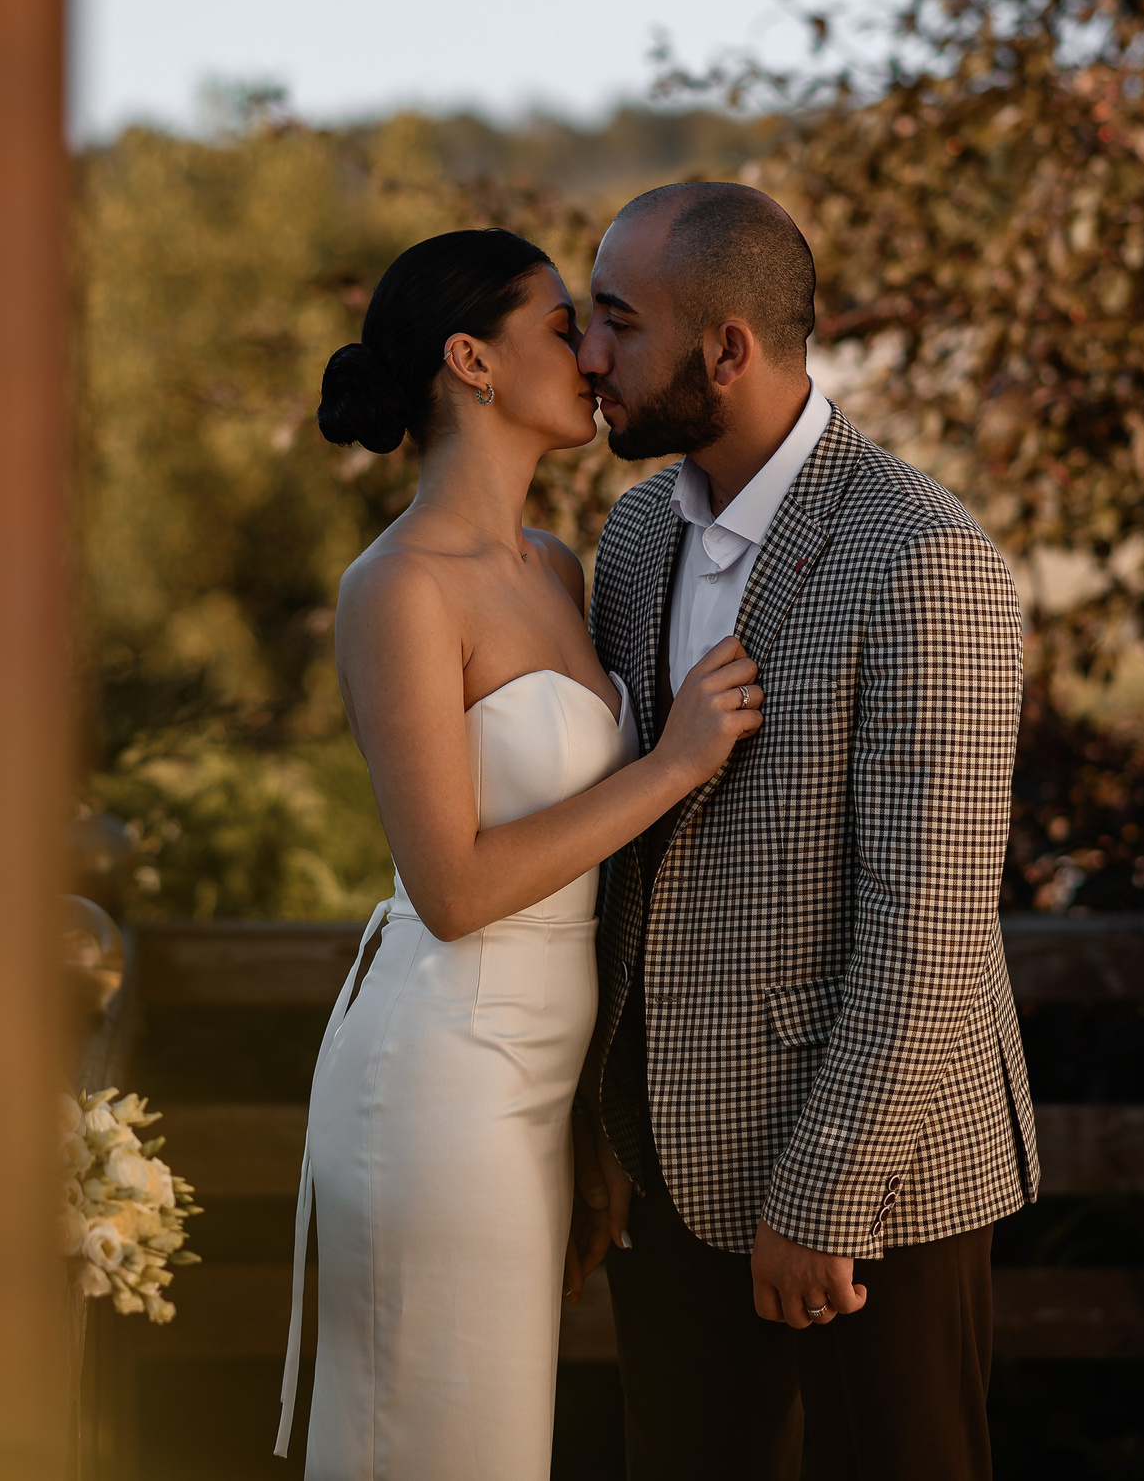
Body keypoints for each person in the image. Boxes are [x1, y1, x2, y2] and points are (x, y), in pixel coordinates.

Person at [276, 228, 768, 1481]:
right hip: (441, 1078)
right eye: (563, 327)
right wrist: (675, 765)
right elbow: (453, 889)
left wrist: (592, 1125)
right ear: (470, 360)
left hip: (544, 1089)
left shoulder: (557, 564)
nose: (595, 355)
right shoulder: (398, 589)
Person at [568, 183, 1038, 1481]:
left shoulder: (922, 558)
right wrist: (599, 1132)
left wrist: (821, 1192)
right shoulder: (627, 540)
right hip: (663, 1167)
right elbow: (627, 861)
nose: (587, 353)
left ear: (727, 347)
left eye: (617, 319)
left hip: (871, 1182)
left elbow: (929, 922)